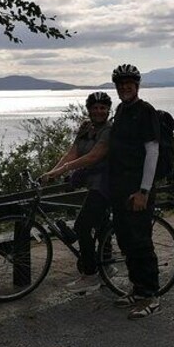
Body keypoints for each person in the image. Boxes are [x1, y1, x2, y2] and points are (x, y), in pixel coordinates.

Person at [41, 91, 113, 293]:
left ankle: (89, 275)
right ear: (89, 110)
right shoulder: (85, 128)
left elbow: (93, 157)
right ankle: (107, 267)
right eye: (95, 108)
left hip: (106, 185)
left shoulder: (109, 130)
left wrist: (64, 170)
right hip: (94, 184)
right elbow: (72, 153)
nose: (99, 111)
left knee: (82, 226)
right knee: (102, 226)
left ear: (108, 110)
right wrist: (52, 172)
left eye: (103, 108)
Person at [108, 63, 162, 319]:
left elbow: (152, 152)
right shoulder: (120, 110)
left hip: (138, 187)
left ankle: (151, 295)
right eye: (120, 84)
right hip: (119, 186)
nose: (124, 87)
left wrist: (144, 190)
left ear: (137, 86)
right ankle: (137, 289)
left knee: (141, 241)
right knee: (126, 241)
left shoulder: (145, 111)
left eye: (129, 84)